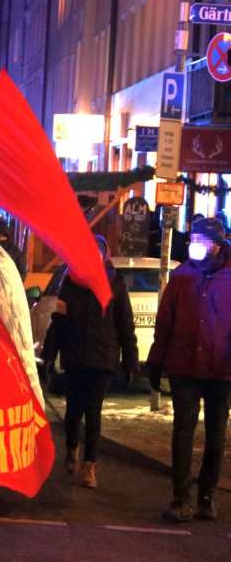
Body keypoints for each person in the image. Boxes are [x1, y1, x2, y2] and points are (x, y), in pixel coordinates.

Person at [147, 218, 230, 523]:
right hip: (184, 367)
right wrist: (156, 362)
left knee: (216, 435)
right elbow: (164, 324)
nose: (195, 244)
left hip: (221, 371)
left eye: (202, 239)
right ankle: (181, 498)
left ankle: (207, 496)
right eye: (193, 238)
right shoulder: (181, 277)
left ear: (217, 245)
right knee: (183, 431)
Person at [41, 235, 137, 490]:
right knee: (73, 411)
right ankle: (72, 446)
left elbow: (125, 325)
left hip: (102, 358)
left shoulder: (115, 284)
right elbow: (58, 322)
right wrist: (50, 354)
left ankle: (89, 466)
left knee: (93, 413)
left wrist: (130, 360)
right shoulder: (70, 283)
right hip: (74, 356)